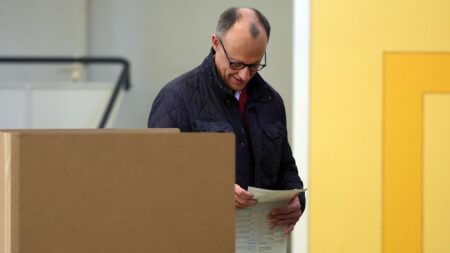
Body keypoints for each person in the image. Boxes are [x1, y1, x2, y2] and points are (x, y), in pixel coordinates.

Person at [148, 7, 305, 234]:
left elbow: (285, 167)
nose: (243, 75)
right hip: (198, 240)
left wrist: (297, 200)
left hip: (260, 243)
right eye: (236, 64)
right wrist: (215, 190)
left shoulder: (271, 101)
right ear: (215, 43)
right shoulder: (176, 99)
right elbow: (155, 179)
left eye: (253, 65)